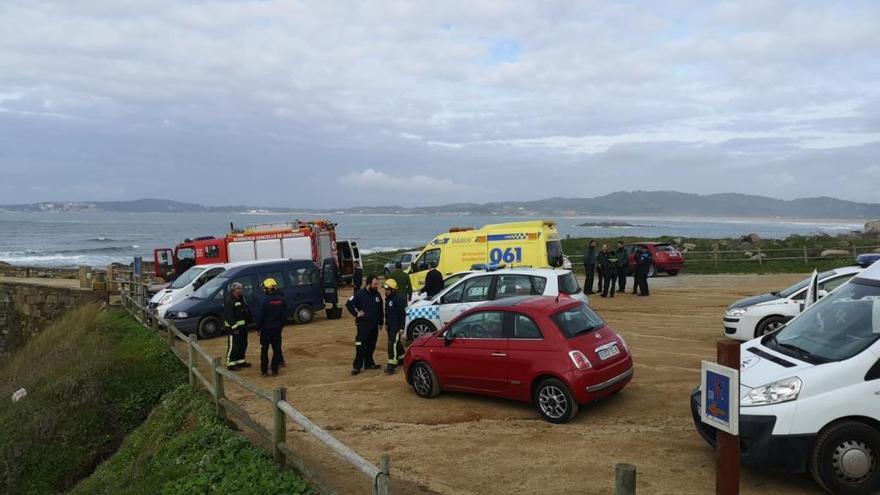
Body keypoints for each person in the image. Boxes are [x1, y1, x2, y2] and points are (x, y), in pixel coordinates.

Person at [346, 274, 384, 375]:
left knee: (371, 345)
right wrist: (356, 313)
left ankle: (369, 363)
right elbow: (349, 304)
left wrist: (381, 322)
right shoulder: (360, 294)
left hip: (374, 326)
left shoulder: (377, 295)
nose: (377, 286)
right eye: (375, 284)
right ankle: (357, 367)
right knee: (361, 346)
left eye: (377, 284)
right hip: (363, 326)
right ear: (368, 284)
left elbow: (380, 309)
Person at [256, 278, 287, 377]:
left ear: (267, 288)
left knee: (264, 350)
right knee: (277, 349)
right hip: (277, 329)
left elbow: (260, 316)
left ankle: (264, 371)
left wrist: (258, 328)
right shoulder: (281, 300)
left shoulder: (264, 301)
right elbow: (284, 317)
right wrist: (280, 326)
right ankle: (275, 370)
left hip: (265, 330)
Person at [223, 282, 253, 370]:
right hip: (234, 328)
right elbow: (229, 315)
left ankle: (240, 360)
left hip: (243, 327)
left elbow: (245, 310)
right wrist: (234, 327)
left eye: (241, 288)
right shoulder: (229, 300)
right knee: (234, 345)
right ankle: (230, 363)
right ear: (234, 290)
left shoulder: (241, 298)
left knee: (243, 344)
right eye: (239, 288)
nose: (242, 290)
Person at [382, 279, 407, 375]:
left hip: (396, 327)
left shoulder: (398, 300)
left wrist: (402, 327)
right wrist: (387, 324)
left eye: (387, 289)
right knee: (396, 343)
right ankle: (402, 358)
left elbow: (402, 314)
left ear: (393, 290)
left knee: (392, 344)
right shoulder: (388, 299)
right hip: (390, 326)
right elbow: (388, 313)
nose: (386, 291)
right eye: (385, 289)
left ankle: (391, 366)